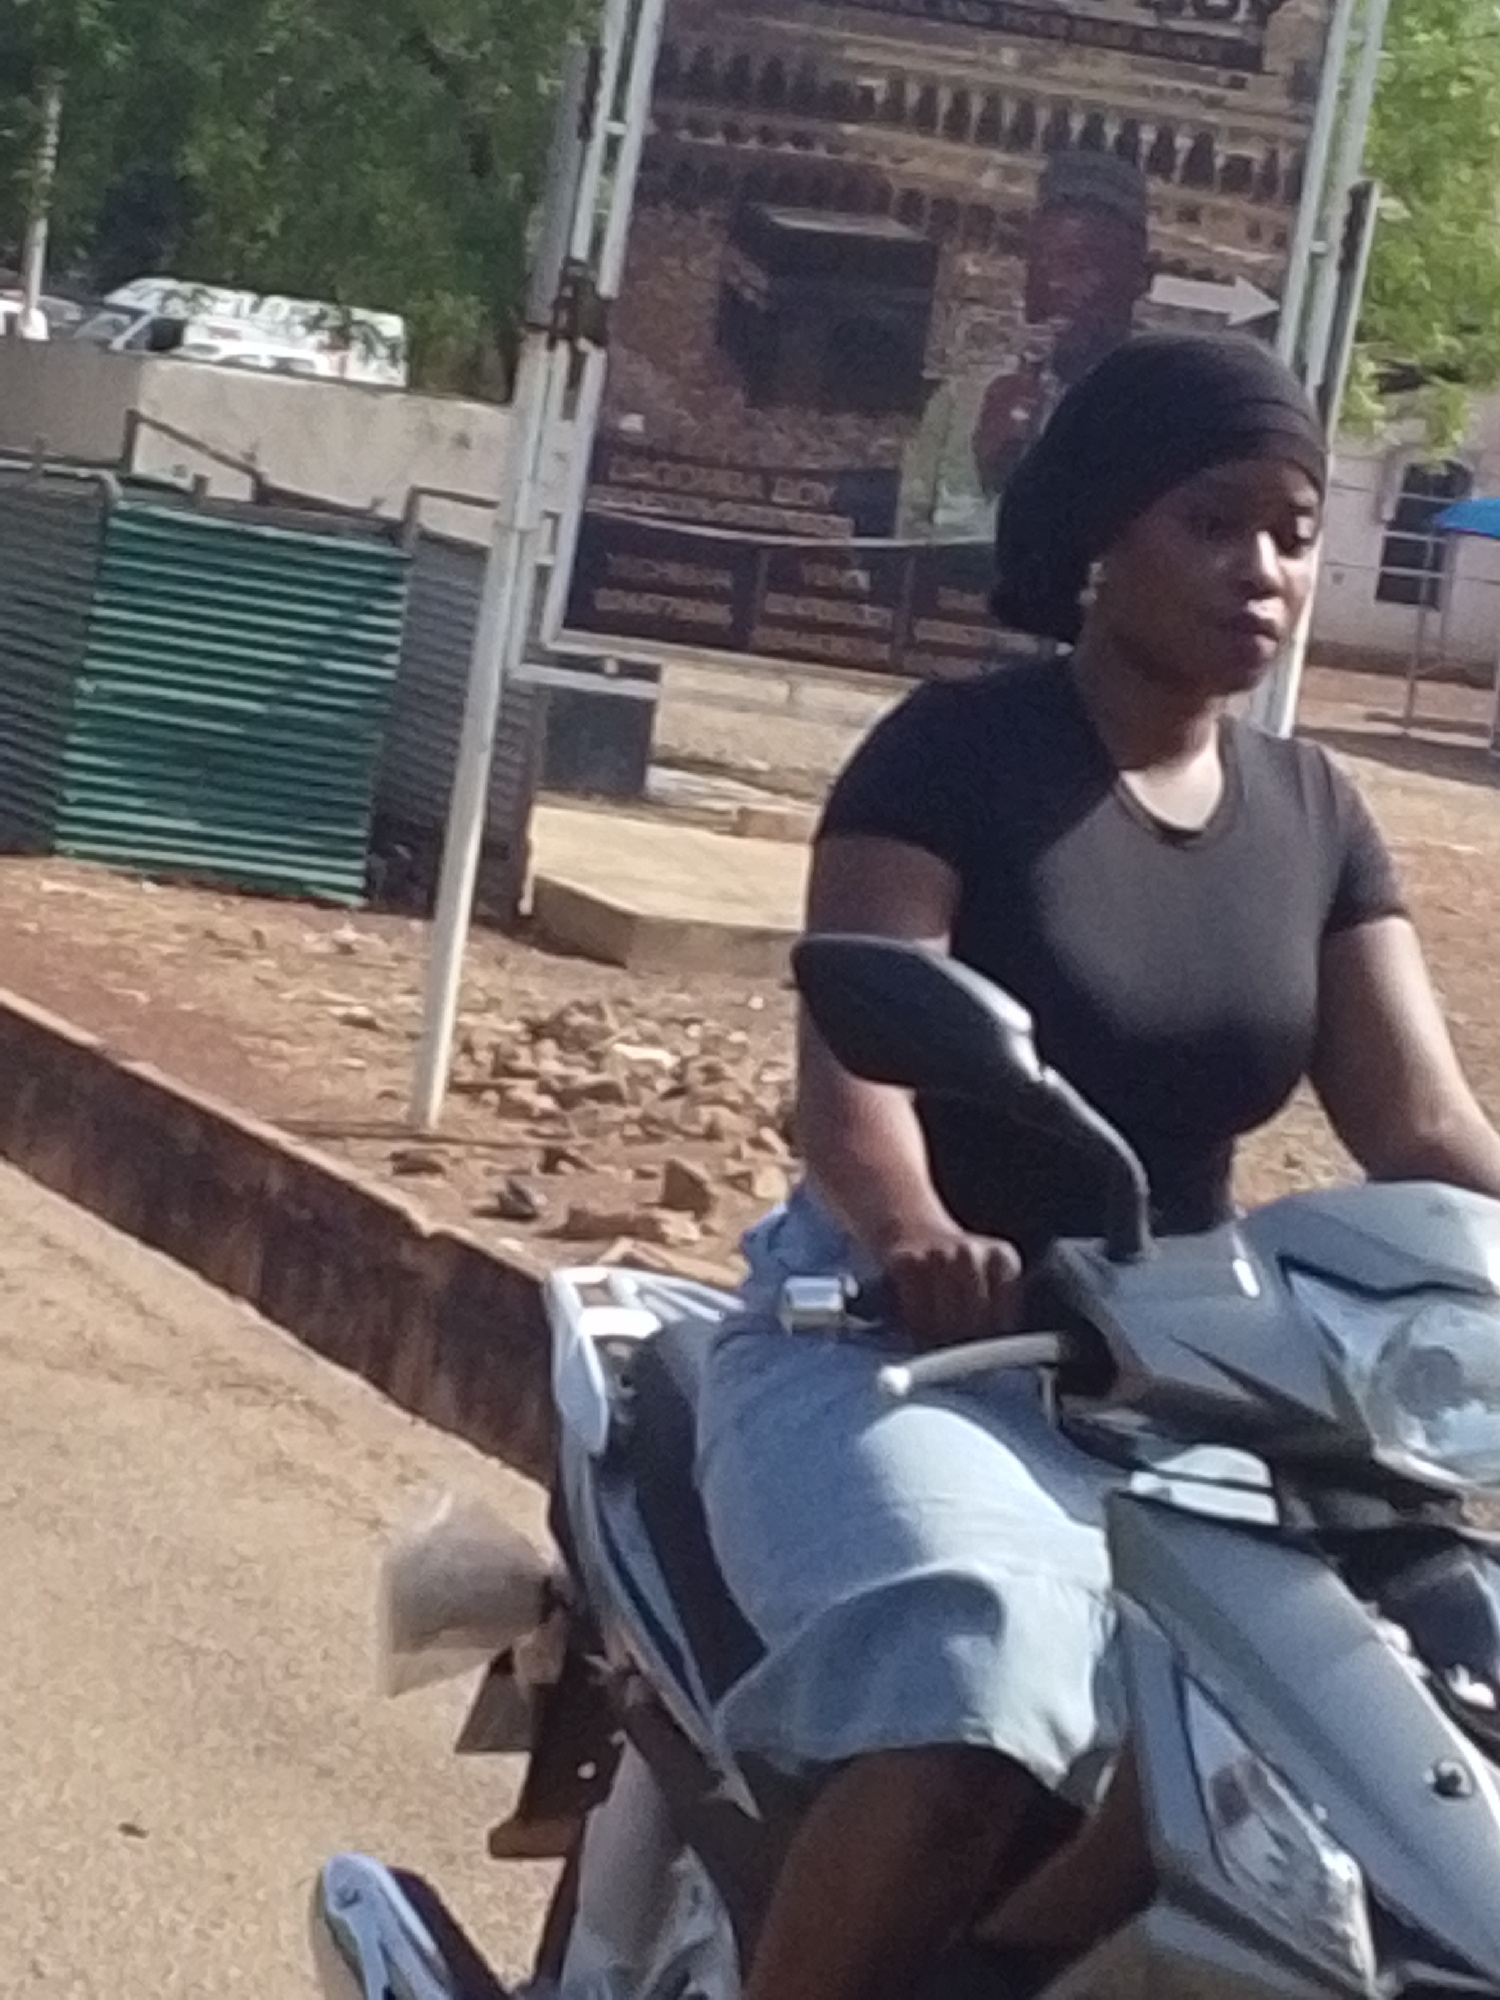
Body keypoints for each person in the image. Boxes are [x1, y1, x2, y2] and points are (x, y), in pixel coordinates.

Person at [694, 332, 1500, 2000]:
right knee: (979, 1672)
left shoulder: (1315, 807)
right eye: (1214, 522)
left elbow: (1423, 1128)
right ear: (1098, 535)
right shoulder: (953, 753)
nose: (1263, 568)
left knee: (1339, 1734)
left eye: (1294, 533)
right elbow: (855, 1082)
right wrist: (915, 1231)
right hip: (905, 1349)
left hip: (1197, 1377)